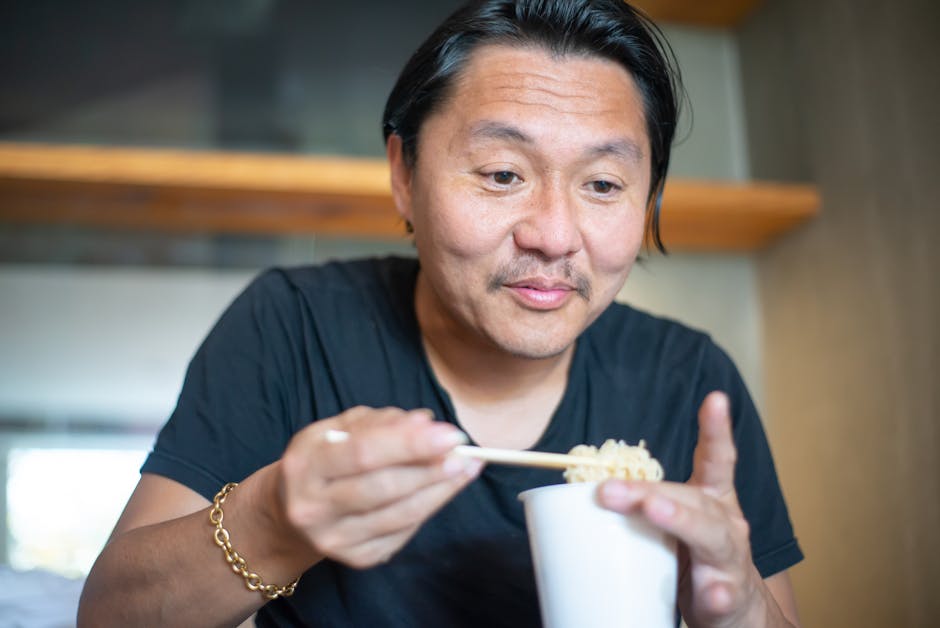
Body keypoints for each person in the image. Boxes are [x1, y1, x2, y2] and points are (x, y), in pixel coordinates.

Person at [78, 1, 803, 626]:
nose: (553, 234)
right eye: (501, 175)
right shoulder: (292, 325)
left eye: (604, 183)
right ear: (404, 174)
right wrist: (273, 520)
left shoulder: (688, 380)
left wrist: (737, 608)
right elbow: (110, 617)